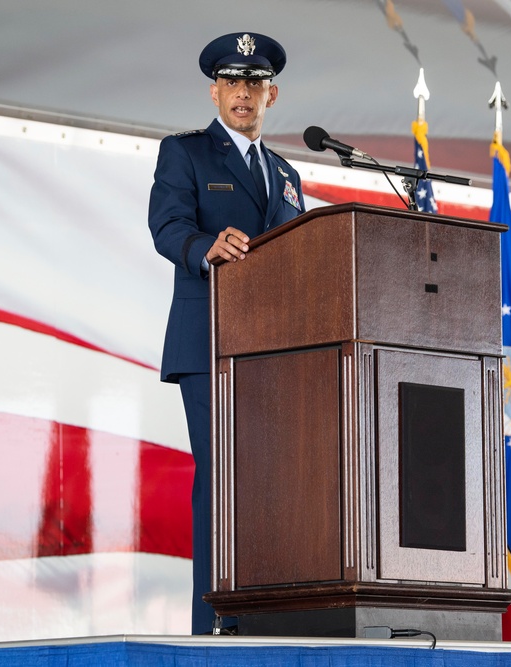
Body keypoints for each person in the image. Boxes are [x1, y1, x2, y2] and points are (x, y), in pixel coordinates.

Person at [148, 31, 305, 635]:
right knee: (223, 474)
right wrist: (203, 248)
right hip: (208, 340)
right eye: (233, 82)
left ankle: (265, 615)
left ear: (273, 95)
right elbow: (166, 227)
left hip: (274, 353)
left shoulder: (287, 173)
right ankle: (214, 623)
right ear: (215, 91)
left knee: (269, 480)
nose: (244, 94)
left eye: (256, 84)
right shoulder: (184, 153)